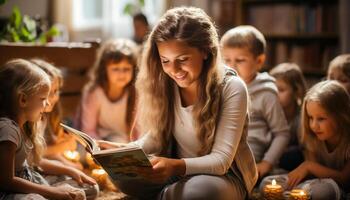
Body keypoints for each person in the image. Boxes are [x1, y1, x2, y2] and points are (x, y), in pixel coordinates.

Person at [99, 7, 258, 200]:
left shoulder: (232, 87)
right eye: (165, 61)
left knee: (200, 192)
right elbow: (157, 137)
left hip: (222, 177)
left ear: (206, 51)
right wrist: (123, 151)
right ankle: (172, 194)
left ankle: (171, 194)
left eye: (182, 59)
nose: (174, 70)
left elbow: (221, 161)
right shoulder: (167, 84)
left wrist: (176, 166)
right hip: (176, 173)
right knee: (123, 176)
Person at [0, 59, 97, 200]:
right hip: (12, 191)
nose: (48, 103)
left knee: (89, 188)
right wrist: (52, 192)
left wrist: (70, 171)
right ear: (23, 100)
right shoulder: (7, 130)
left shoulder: (25, 126)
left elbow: (33, 161)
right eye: (43, 98)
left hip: (31, 181)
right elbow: (6, 181)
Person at [260, 80, 350, 200]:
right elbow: (312, 177)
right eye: (310, 118)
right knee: (267, 183)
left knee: (322, 192)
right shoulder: (313, 138)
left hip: (337, 187)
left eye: (321, 119)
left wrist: (309, 166)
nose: (313, 125)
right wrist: (305, 175)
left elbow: (345, 180)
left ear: (341, 115)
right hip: (314, 183)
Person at [220, 25, 290, 177]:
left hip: (249, 162)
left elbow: (282, 134)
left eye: (240, 60)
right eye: (226, 60)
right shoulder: (221, 87)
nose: (231, 67)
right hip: (221, 155)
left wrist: (267, 163)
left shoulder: (266, 93)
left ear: (259, 61)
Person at [78, 39, 138, 143]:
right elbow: (88, 129)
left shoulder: (135, 92)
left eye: (126, 69)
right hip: (97, 140)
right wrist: (100, 147)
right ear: (104, 69)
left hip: (123, 141)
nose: (121, 74)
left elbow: (137, 130)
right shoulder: (94, 93)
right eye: (115, 68)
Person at [31, 59, 83, 170]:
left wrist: (68, 164)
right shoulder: (29, 118)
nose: (53, 98)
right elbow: (32, 155)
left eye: (56, 91)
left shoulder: (46, 117)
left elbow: (49, 153)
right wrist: (63, 147)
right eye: (49, 92)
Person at [270, 63, 307, 171]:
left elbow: (304, 151)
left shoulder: (302, 117)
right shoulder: (268, 113)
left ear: (297, 91)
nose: (275, 94)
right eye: (272, 89)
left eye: (281, 90)